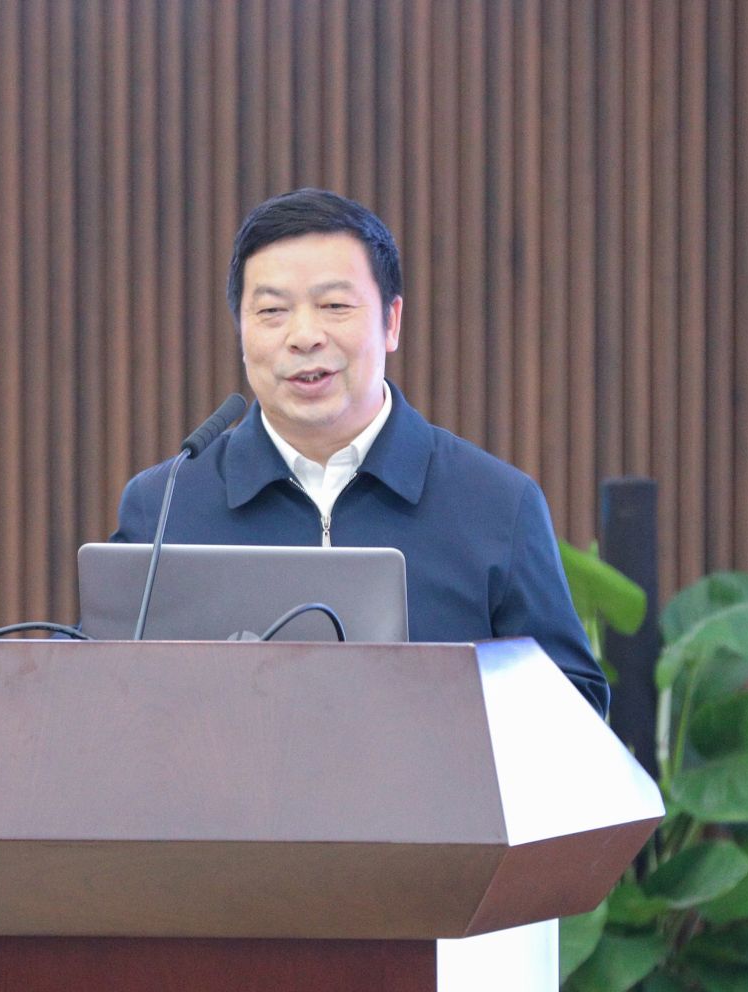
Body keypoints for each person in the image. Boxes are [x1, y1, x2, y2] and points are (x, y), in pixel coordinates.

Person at [112, 187, 608, 716]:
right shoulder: (165, 506)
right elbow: (103, 696)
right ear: (241, 330)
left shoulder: (495, 504)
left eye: (334, 306)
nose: (304, 336)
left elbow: (574, 711)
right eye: (272, 310)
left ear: (391, 321)